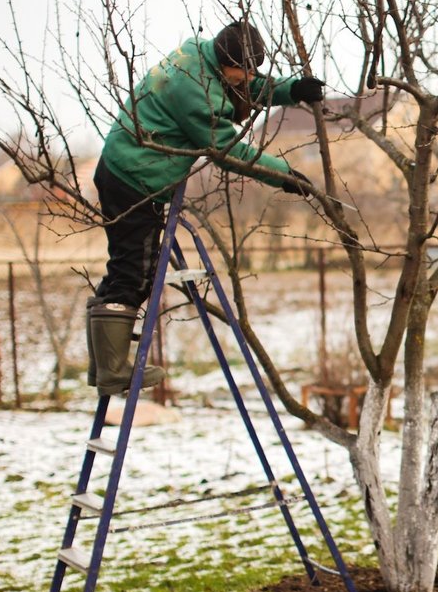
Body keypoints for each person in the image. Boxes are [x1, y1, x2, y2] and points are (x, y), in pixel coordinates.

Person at [87, 20, 326, 395]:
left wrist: (291, 89)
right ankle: (113, 371)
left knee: (125, 266)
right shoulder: (195, 93)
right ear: (225, 60)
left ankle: (102, 365)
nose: (248, 78)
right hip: (135, 179)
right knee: (134, 271)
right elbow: (228, 150)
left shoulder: (202, 55)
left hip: (125, 168)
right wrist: (283, 175)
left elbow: (241, 89)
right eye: (243, 71)